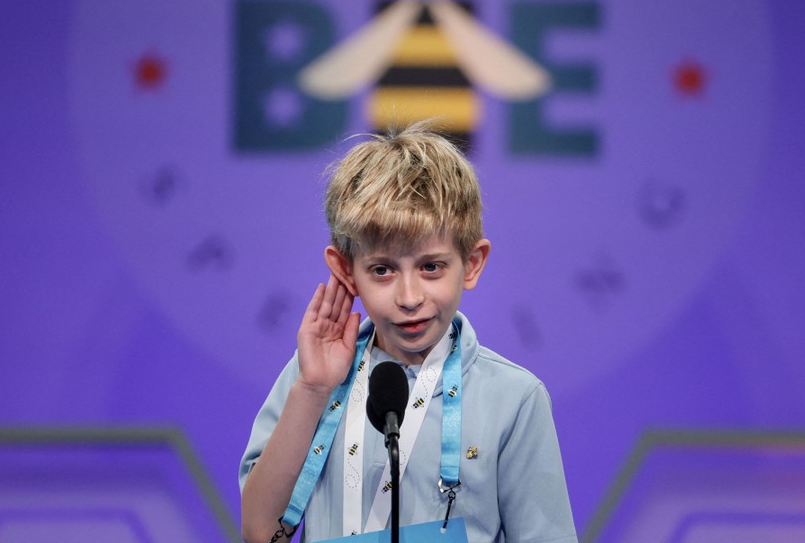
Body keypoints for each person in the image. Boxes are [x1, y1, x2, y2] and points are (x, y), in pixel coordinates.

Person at [239, 122, 578, 543]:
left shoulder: (514, 397)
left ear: (471, 263)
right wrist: (312, 389)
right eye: (382, 269)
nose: (409, 296)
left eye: (431, 267)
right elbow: (258, 533)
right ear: (346, 270)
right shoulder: (312, 377)